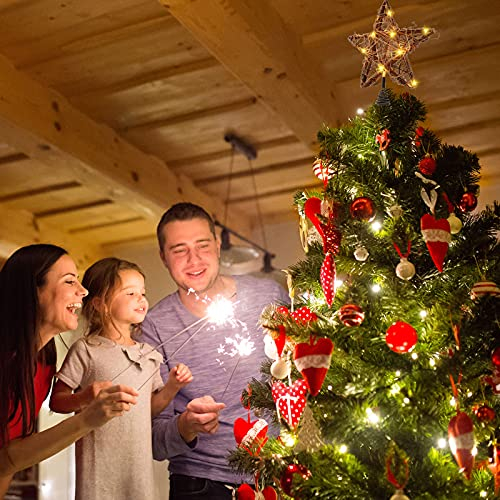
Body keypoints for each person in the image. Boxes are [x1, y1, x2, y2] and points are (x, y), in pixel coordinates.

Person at [141, 202, 289, 499]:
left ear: (218, 245)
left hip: (274, 478)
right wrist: (185, 427)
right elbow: (154, 443)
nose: (193, 259)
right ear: (163, 258)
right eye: (179, 249)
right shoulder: (153, 327)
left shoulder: (269, 297)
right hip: (199, 485)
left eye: (202, 245)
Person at [0, 244, 139, 498]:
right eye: (69, 281)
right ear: (34, 291)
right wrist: (86, 420)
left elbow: (12, 452)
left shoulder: (43, 364)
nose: (83, 291)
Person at [49, 257, 193, 499]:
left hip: (137, 471)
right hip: (97, 472)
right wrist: (84, 397)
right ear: (101, 303)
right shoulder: (86, 350)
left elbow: (150, 409)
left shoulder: (149, 355)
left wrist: (172, 386)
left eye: (142, 292)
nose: (141, 298)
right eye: (130, 293)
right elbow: (57, 401)